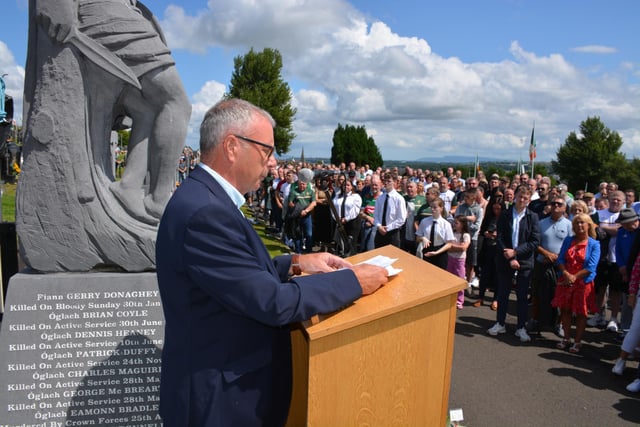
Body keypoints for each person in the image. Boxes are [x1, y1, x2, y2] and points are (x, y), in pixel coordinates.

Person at [156, 99, 388, 426]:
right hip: (220, 404)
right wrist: (355, 281)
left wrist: (295, 262)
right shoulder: (206, 212)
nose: (273, 162)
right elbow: (272, 302)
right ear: (232, 146)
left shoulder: (205, 198)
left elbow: (234, 275)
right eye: (267, 150)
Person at [487, 186, 540, 343]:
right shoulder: (505, 214)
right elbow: (501, 237)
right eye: (519, 197)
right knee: (502, 293)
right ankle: (500, 323)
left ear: (529, 200)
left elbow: (535, 241)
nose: (522, 200)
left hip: (524, 261)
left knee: (522, 296)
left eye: (525, 198)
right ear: (515, 197)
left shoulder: (533, 217)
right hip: (505, 260)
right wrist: (509, 256)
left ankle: (520, 328)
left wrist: (516, 253)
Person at [552, 214, 600, 354]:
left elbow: (591, 266)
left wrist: (575, 277)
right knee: (565, 310)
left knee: (580, 313)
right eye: (577, 223)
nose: (579, 225)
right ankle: (566, 338)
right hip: (565, 280)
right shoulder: (568, 240)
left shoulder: (594, 244)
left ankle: (577, 342)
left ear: (589, 225)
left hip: (582, 283)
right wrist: (566, 274)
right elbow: (560, 259)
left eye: (583, 223)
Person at [526, 197, 572, 336]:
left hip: (561, 266)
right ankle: (535, 320)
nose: (556, 205)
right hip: (542, 263)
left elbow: (572, 246)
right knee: (537, 294)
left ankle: (559, 324)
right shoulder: (541, 223)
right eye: (553, 203)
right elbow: (534, 242)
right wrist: (546, 253)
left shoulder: (569, 225)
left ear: (564, 208)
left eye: (559, 204)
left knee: (559, 296)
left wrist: (558, 257)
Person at [416, 198, 454, 270]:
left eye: (435, 207)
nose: (432, 209)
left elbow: (449, 243)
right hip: (427, 251)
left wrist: (436, 252)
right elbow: (418, 237)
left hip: (440, 253)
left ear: (441, 208)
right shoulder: (424, 221)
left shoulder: (446, 224)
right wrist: (423, 238)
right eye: (431, 207)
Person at [374, 173, 407, 248]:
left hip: (392, 233)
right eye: (385, 181)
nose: (386, 183)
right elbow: (375, 215)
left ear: (395, 183)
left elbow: (401, 219)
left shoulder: (399, 199)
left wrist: (387, 228)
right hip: (379, 232)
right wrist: (379, 226)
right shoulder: (380, 198)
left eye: (389, 181)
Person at [331, 179, 362, 256]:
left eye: (348, 185)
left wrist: (346, 218)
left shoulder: (356, 196)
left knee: (351, 244)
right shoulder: (338, 196)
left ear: (352, 187)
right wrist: (337, 219)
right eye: (344, 185)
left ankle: (352, 261)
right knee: (342, 244)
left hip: (352, 223)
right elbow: (332, 208)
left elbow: (355, 210)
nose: (346, 186)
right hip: (340, 222)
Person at [447, 216, 472, 309]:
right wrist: (455, 246)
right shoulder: (452, 233)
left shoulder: (465, 235)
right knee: (449, 278)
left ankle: (460, 300)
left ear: (462, 224)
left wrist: (452, 246)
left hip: (460, 261)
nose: (454, 224)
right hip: (450, 259)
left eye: (457, 223)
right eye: (454, 222)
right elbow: (448, 246)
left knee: (460, 279)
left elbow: (464, 247)